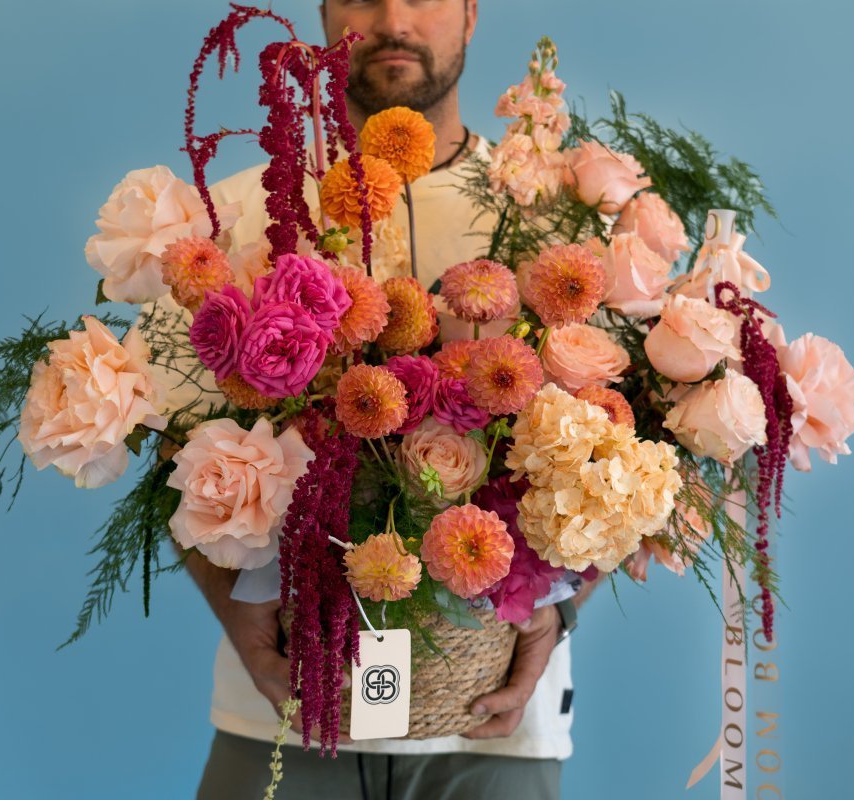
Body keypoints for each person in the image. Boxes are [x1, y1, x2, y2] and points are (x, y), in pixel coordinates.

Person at [147, 1, 603, 797]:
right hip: (286, 716)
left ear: (468, 13)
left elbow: (630, 450)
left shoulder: (552, 222)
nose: (393, 17)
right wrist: (239, 618)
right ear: (324, 13)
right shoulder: (243, 212)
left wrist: (558, 612)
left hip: (491, 726)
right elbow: (155, 432)